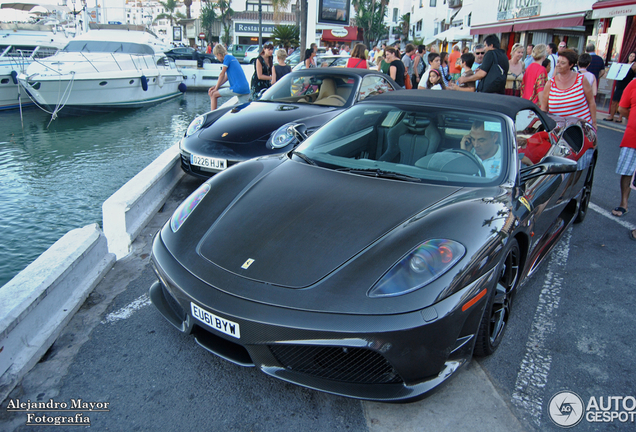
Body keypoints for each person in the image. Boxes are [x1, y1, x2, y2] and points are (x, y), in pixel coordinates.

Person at [540, 49, 597, 129]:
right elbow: (544, 109)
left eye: (562, 63)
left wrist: (594, 123)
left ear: (571, 65)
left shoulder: (581, 80)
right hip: (559, 131)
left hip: (582, 129)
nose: (558, 65)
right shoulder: (550, 84)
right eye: (558, 62)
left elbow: (591, 102)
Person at [611, 78, 636, 220]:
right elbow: (622, 108)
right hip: (632, 136)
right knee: (626, 171)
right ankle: (624, 203)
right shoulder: (633, 84)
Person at [208, 44, 250, 111]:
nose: (217, 59)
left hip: (237, 88)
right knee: (243, 111)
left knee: (213, 95)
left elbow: (222, 74)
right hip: (245, 89)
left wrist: (216, 89)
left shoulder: (227, 58)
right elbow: (226, 77)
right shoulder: (232, 58)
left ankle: (212, 117)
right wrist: (216, 86)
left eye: (216, 56)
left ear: (219, 54)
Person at [604, 52, 636, 123]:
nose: (631, 57)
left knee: (622, 102)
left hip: (626, 85)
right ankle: (611, 116)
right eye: (630, 55)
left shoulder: (634, 66)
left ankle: (620, 118)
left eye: (633, 56)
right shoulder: (623, 65)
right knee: (614, 101)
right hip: (620, 84)